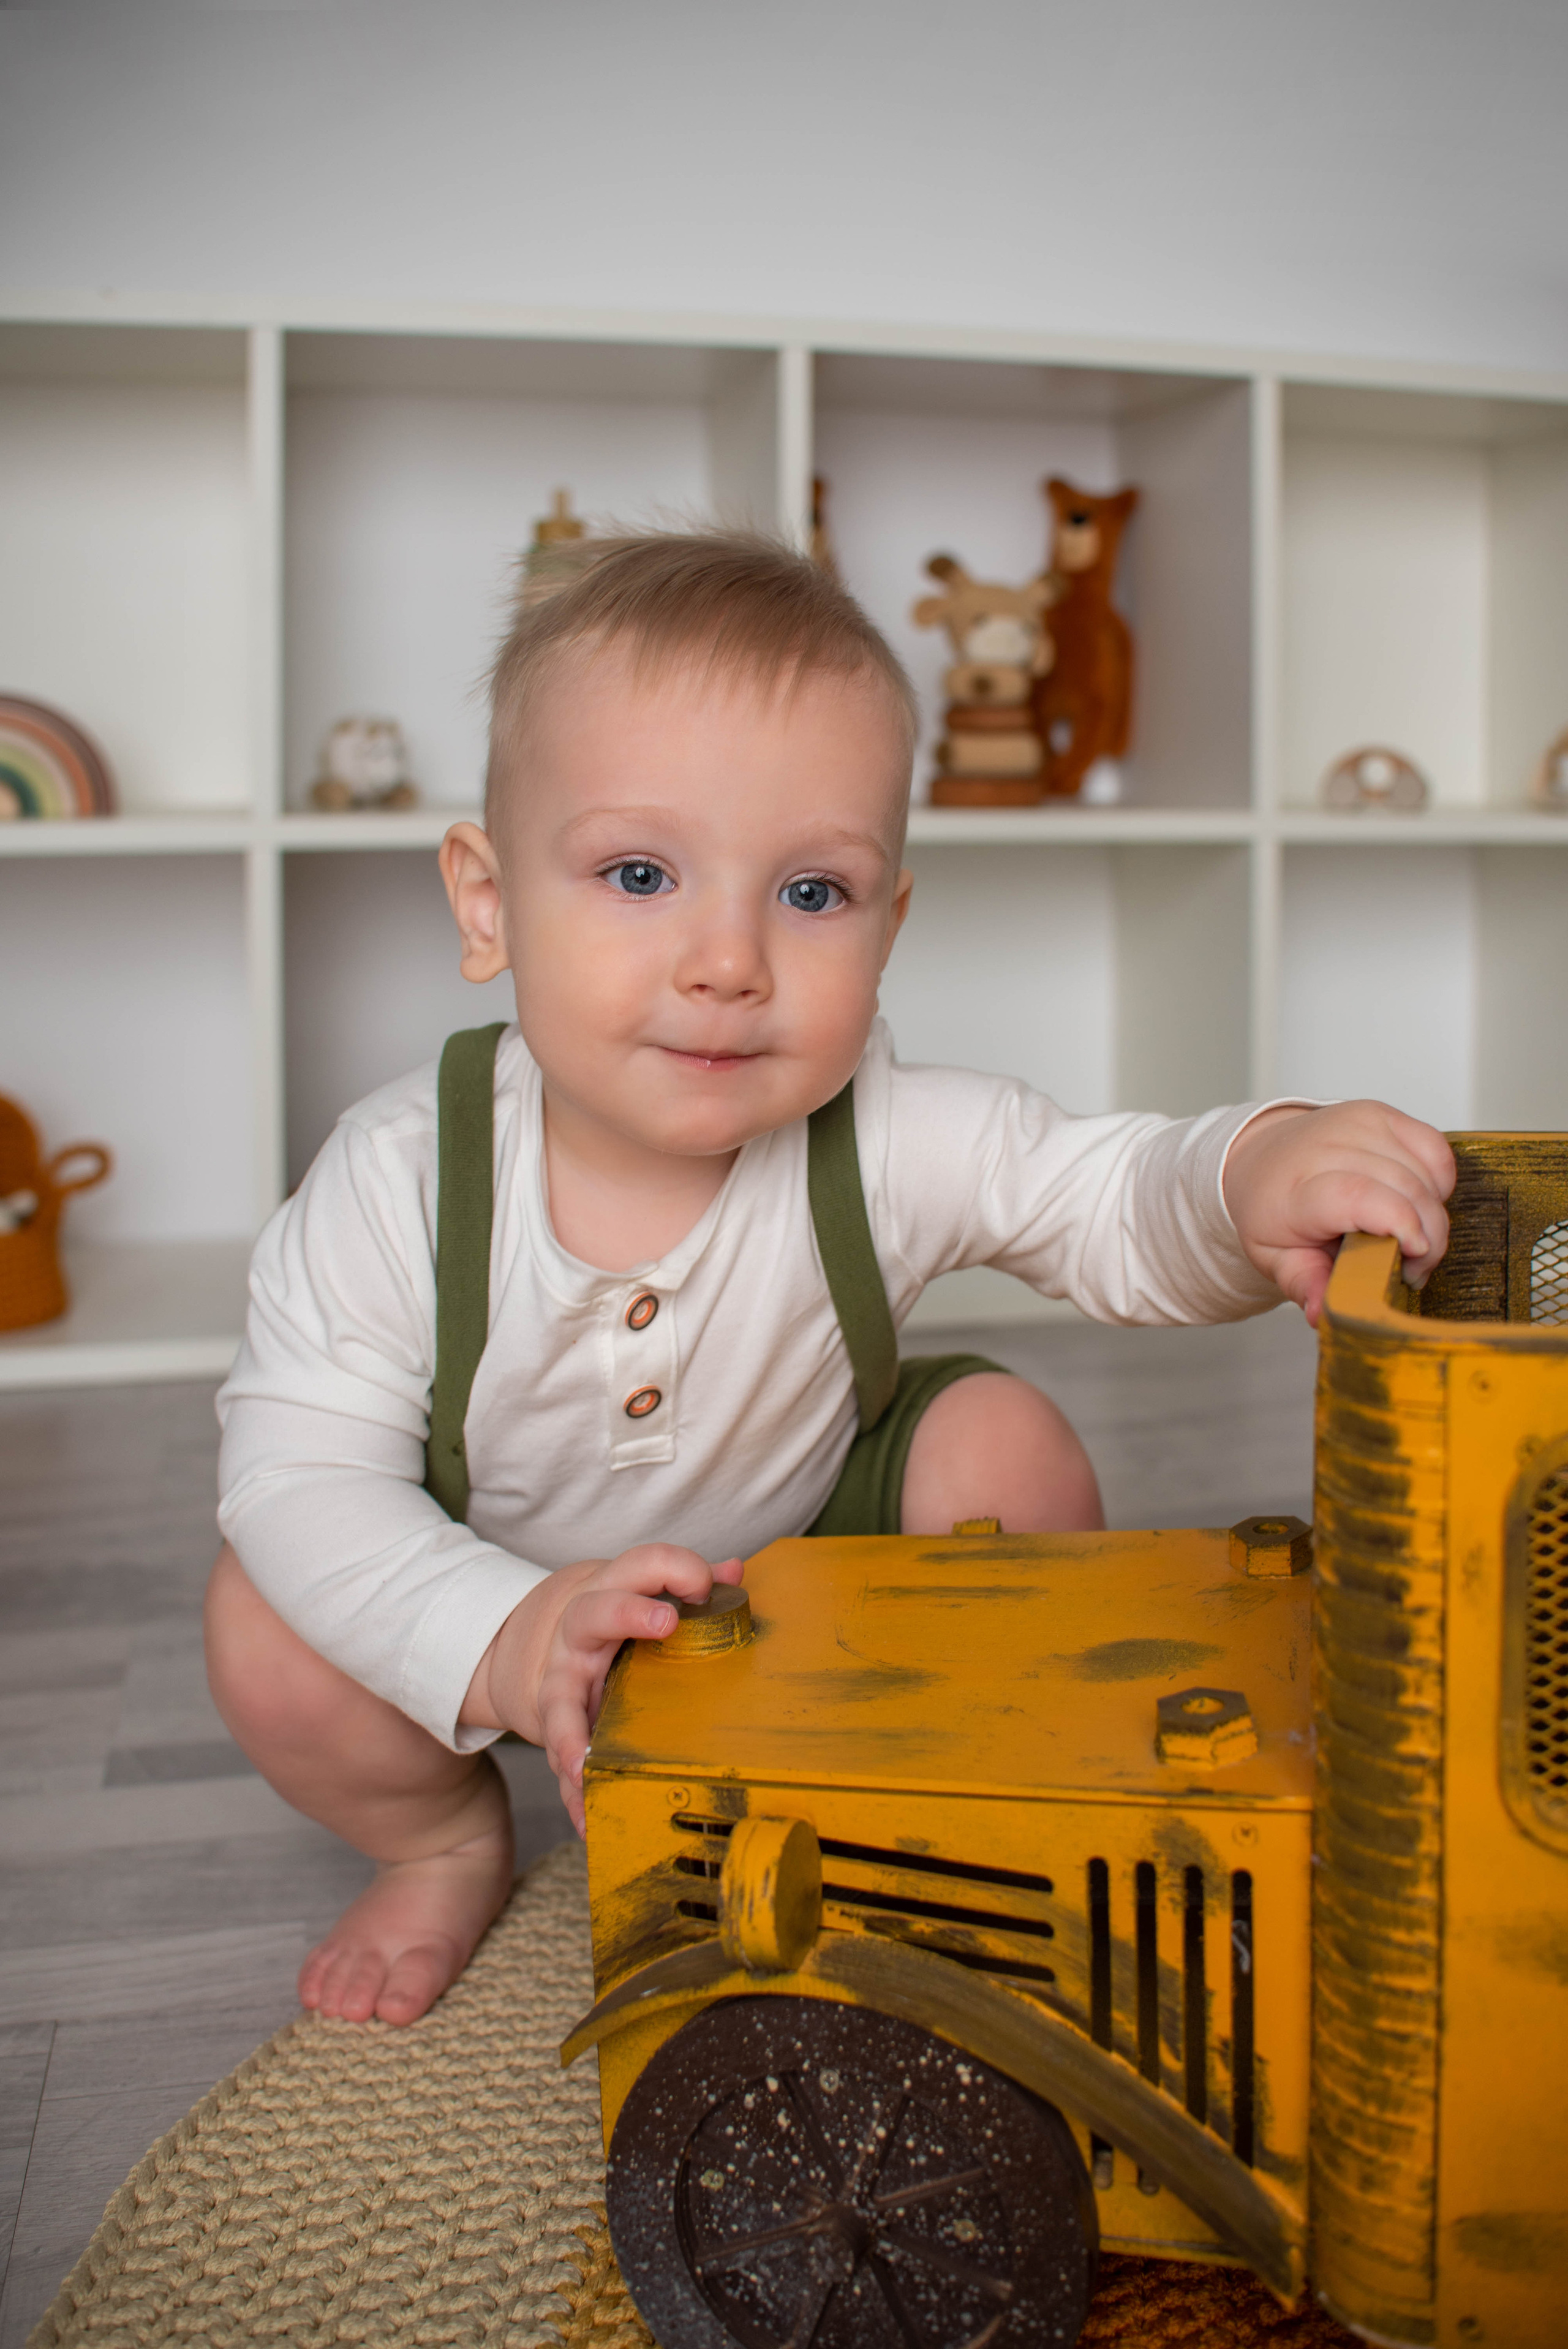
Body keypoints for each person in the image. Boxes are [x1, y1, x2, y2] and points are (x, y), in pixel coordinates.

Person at [205, 531, 1453, 2030]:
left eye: (810, 893)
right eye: (640, 873)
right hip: (490, 1575)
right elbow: (296, 1471)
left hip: (804, 1550)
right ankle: (440, 1838)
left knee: (1006, 1447)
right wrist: (504, 1634)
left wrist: (1252, 1167)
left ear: (889, 925)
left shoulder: (888, 1128)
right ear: (486, 904)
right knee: (268, 1623)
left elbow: (1100, 1192)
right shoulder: (396, 1177)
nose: (727, 958)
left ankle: (942, 1789)